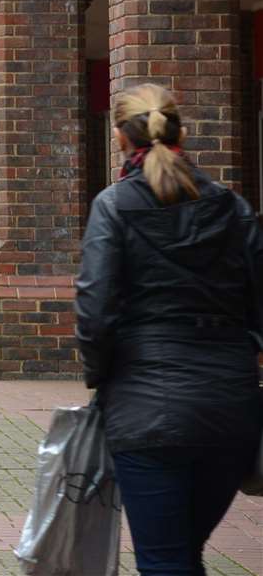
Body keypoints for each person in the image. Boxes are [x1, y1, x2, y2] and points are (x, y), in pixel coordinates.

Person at [75, 84, 262, 575]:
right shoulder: (231, 206)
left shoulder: (113, 206)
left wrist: (101, 377)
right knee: (182, 554)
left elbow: (95, 311)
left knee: (164, 559)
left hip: (145, 410)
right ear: (183, 130)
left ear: (120, 136)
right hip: (229, 405)